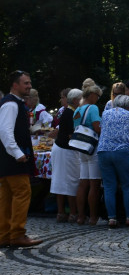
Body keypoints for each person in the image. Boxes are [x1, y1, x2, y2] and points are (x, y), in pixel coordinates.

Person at [0, 70, 43, 248]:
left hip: (8, 159)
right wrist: (18, 153)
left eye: (29, 83)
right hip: (14, 159)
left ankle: (4, 235)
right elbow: (4, 131)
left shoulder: (14, 103)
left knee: (7, 196)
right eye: (26, 83)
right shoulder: (11, 104)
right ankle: (17, 234)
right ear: (15, 85)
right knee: (22, 193)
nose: (29, 86)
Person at [97, 94, 129, 228]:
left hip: (103, 151)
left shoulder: (105, 114)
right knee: (127, 185)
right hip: (121, 151)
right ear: (128, 106)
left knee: (109, 186)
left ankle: (112, 218)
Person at [49, 89, 83, 223]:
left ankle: (61, 212)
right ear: (75, 100)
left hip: (60, 148)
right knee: (71, 181)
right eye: (81, 99)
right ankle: (73, 213)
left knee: (60, 180)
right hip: (67, 150)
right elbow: (72, 136)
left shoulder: (67, 112)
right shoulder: (72, 113)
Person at [75, 81, 104, 226]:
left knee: (83, 183)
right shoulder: (93, 108)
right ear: (92, 95)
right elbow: (97, 127)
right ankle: (93, 217)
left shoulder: (77, 110)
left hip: (81, 147)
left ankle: (81, 217)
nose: (98, 99)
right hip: (92, 148)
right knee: (94, 184)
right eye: (97, 96)